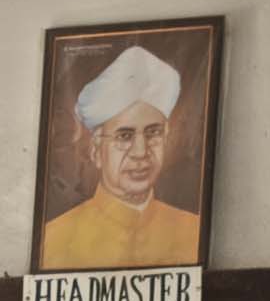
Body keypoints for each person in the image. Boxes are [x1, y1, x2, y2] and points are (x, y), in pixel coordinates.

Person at [40, 44, 201, 270]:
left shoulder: (193, 231)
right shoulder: (53, 240)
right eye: (124, 136)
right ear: (95, 151)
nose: (140, 152)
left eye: (153, 133)